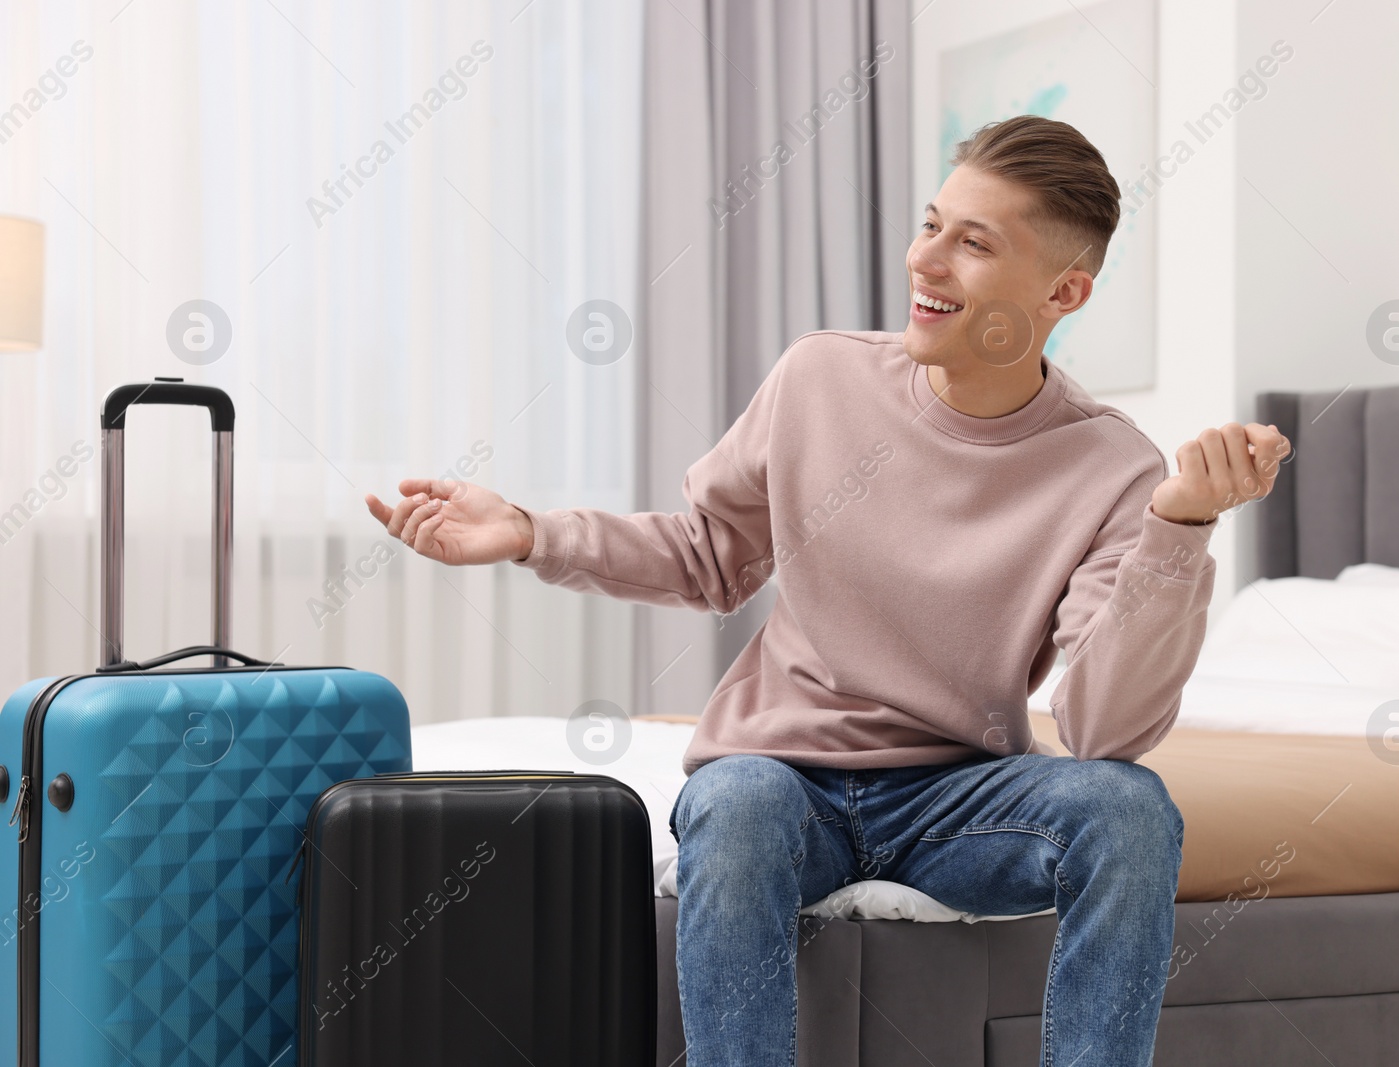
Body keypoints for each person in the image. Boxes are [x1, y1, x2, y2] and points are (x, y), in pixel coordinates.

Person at [367, 114, 1290, 1067]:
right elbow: (711, 556)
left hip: (957, 799)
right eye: (932, 225)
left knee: (1129, 807)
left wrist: (1178, 527)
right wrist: (530, 532)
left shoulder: (1113, 469)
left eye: (974, 244)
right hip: (783, 777)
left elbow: (1103, 733)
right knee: (740, 802)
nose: (927, 261)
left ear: (1064, 290)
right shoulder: (821, 376)